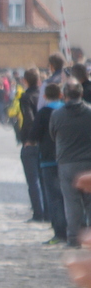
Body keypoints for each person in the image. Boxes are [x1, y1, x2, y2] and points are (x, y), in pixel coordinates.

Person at [50, 78, 91, 248]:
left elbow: (53, 135)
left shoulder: (57, 114)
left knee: (71, 202)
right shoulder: (89, 112)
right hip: (89, 161)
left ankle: (73, 239)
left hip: (67, 162)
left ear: (64, 95)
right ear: (81, 93)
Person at [28, 83, 66, 245]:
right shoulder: (66, 110)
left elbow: (33, 136)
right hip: (67, 158)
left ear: (45, 97)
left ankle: (59, 232)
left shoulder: (43, 113)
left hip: (48, 160)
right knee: (69, 197)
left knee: (54, 198)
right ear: (60, 95)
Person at [20, 69, 45, 223]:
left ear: (26, 81)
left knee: (33, 179)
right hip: (45, 141)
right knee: (44, 178)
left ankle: (38, 213)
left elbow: (29, 120)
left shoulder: (26, 97)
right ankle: (47, 212)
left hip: (32, 141)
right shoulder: (43, 95)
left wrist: (31, 138)